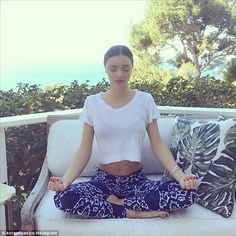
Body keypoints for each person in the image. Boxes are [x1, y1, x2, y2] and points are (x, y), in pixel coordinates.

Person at [47, 45, 197, 219]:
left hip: (136, 182)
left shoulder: (145, 100)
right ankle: (131, 212)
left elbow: (157, 145)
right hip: (104, 182)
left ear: (132, 68)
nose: (119, 74)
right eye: (113, 69)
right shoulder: (93, 103)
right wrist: (65, 181)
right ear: (106, 69)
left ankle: (117, 204)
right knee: (63, 199)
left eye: (125, 68)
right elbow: (84, 150)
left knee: (188, 194)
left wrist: (180, 176)